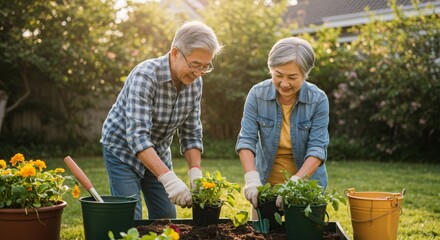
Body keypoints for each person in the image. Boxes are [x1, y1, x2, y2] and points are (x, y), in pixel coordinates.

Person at [101, 21, 223, 220]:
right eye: (194, 65)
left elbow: (191, 133)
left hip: (157, 149)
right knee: (131, 219)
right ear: (175, 53)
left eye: (205, 67)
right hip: (122, 148)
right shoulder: (145, 76)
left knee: (166, 217)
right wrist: (169, 180)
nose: (199, 73)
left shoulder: (195, 83)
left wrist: (195, 174)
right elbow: (137, 137)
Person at [235, 37, 329, 213]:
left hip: (305, 188)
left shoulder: (318, 99)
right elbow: (246, 140)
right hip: (265, 186)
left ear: (305, 74)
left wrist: (295, 184)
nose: (284, 84)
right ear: (271, 70)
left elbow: (317, 148)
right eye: (278, 75)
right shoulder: (257, 95)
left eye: (292, 77)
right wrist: (252, 179)